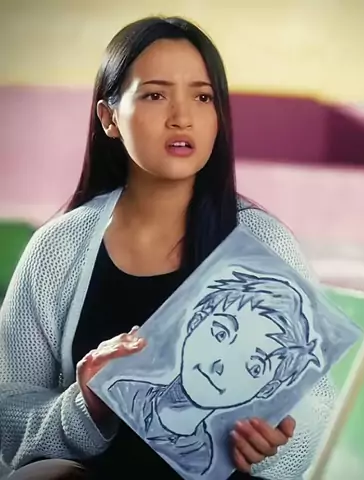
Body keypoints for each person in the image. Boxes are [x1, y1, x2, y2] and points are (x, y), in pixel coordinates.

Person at [0, 16, 335, 480]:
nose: (182, 116)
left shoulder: (263, 241)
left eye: (203, 97)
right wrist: (87, 405)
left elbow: (315, 405)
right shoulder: (57, 247)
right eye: (155, 95)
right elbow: (8, 414)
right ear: (109, 118)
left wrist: (272, 442)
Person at [106, 270, 322, 477]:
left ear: (268, 388)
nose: (220, 365)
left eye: (254, 367)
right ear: (196, 320)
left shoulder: (201, 462)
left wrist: (271, 445)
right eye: (221, 334)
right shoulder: (122, 392)